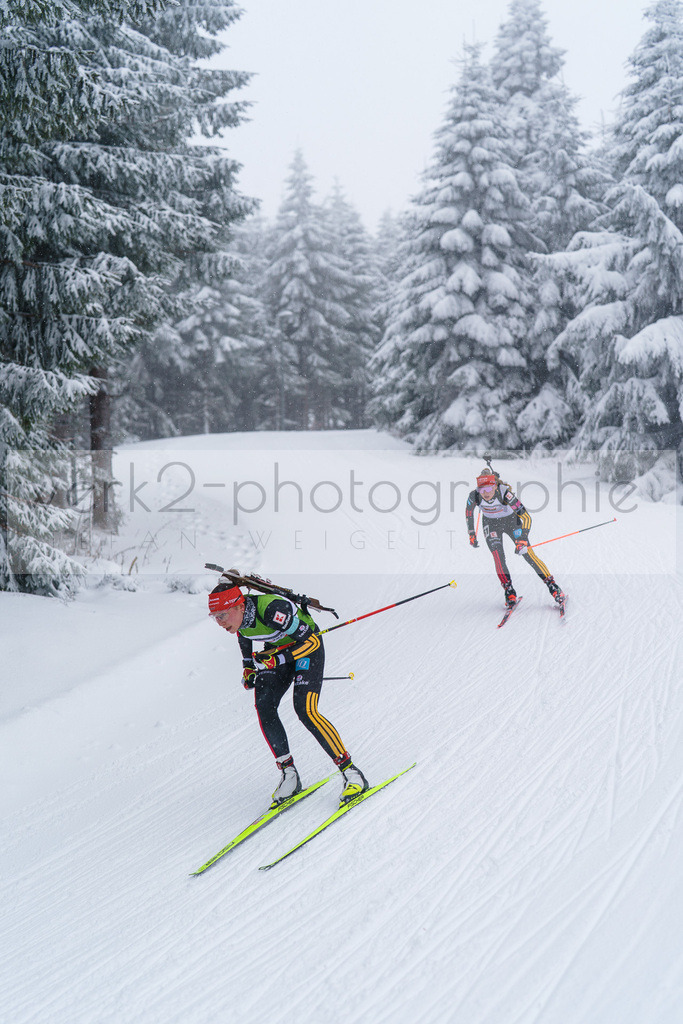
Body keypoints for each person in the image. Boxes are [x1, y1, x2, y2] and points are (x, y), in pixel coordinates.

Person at [208, 582, 369, 807]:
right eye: (214, 616)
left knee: (305, 709)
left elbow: (311, 641)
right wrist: (248, 666)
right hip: (278, 652)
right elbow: (244, 634)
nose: (219, 622)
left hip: (306, 651)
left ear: (239, 606)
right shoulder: (239, 619)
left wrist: (278, 660)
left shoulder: (272, 610)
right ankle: (289, 776)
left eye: (222, 615)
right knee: (264, 705)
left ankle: (352, 774)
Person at [465, 468, 565, 609]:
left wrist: (523, 538)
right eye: (482, 490)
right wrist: (471, 533)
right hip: (491, 525)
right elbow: (469, 513)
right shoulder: (474, 496)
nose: (485, 493)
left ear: (494, 486)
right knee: (498, 556)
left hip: (511, 521)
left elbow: (526, 517)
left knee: (527, 554)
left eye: (488, 488)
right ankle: (509, 591)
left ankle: (553, 587)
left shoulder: (505, 493)